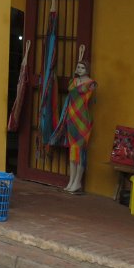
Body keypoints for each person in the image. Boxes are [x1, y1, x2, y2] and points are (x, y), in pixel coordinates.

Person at [49, 60, 97, 193]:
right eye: (78, 67)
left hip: (83, 119)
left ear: (87, 69)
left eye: (82, 67)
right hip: (71, 119)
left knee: (81, 150)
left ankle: (78, 182)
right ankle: (71, 181)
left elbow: (83, 95)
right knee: (73, 150)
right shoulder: (73, 81)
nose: (80, 69)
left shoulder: (91, 83)